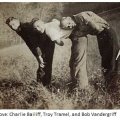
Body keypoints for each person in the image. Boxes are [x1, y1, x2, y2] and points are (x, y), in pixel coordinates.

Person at [60, 11, 120, 90]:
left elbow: (96, 27)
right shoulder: (77, 22)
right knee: (105, 61)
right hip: (101, 37)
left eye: (69, 23)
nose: (70, 26)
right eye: (67, 27)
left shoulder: (80, 17)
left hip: (107, 34)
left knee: (112, 60)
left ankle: (114, 86)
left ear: (69, 18)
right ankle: (109, 85)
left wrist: (82, 31)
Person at [6, 17, 55, 87]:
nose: (13, 27)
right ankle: (43, 84)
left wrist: (39, 57)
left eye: (13, 24)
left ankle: (44, 85)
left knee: (44, 64)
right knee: (44, 65)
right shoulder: (19, 29)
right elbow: (31, 44)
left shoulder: (25, 28)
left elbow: (34, 45)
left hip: (46, 43)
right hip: (41, 44)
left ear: (17, 20)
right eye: (10, 26)